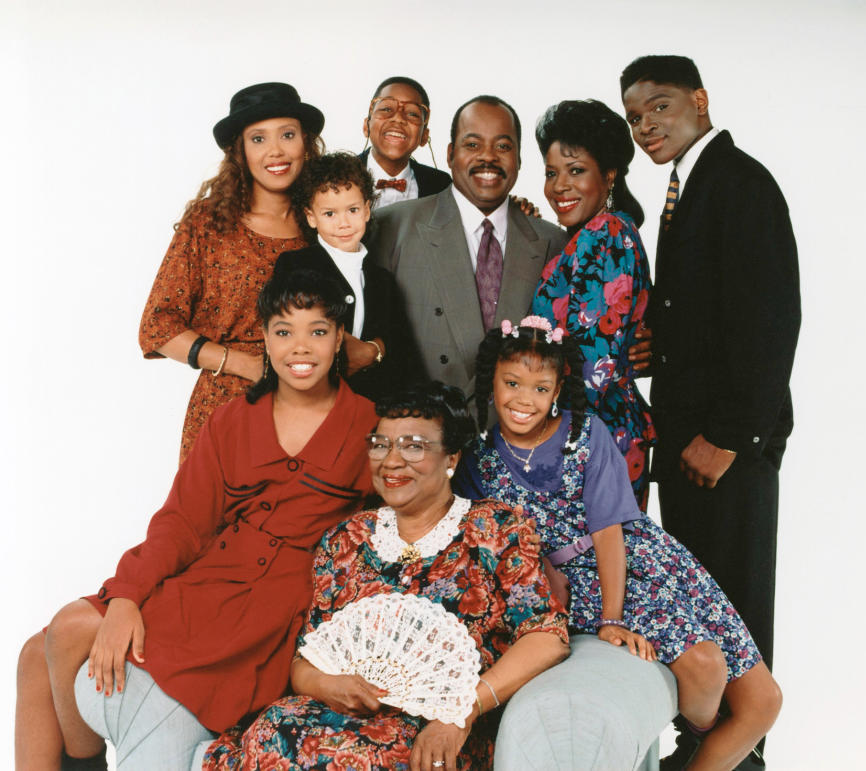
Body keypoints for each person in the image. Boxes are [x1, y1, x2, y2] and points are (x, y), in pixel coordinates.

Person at [15, 267, 377, 771]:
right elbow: (183, 522)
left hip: (274, 605)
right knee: (39, 651)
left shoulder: (368, 424)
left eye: (317, 331)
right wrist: (126, 598)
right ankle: (85, 761)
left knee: (67, 631)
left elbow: (389, 528)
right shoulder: (233, 418)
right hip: (211, 580)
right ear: (264, 339)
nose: (300, 347)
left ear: (340, 338)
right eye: (283, 332)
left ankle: (85, 761)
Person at [456, 318, 783, 771]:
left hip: (640, 563)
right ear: (491, 379)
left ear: (556, 391)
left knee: (764, 703)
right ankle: (697, 735)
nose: (523, 400)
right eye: (512, 383)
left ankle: (694, 748)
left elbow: (609, 532)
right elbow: (494, 545)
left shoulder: (586, 434)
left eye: (539, 387)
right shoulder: (477, 462)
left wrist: (613, 618)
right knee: (706, 668)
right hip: (576, 583)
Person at [202, 382, 569, 770]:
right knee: (271, 730)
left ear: (451, 459)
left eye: (413, 446)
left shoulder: (495, 529)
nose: (391, 461)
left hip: (439, 728)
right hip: (339, 716)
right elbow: (305, 662)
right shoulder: (345, 541)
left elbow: (547, 637)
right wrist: (329, 685)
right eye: (380, 445)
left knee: (354, 760)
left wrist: (461, 711)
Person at [620, 55, 800, 768]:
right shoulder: (686, 188)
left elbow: (771, 317)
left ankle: (740, 757)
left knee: (737, 618)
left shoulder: (739, 183)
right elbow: (710, 309)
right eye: (635, 117)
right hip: (689, 446)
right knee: (702, 612)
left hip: (724, 450)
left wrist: (729, 436)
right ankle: (706, 749)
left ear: (699, 98)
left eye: (659, 107)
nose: (646, 126)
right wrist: (654, 347)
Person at [139, 82, 325, 463]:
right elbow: (157, 326)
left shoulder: (325, 224)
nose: (276, 150)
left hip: (312, 408)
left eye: (287, 135)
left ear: (306, 143)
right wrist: (242, 364)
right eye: (258, 139)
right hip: (226, 408)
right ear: (240, 151)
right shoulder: (209, 223)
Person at [368, 95, 569, 410]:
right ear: (450, 154)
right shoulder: (391, 227)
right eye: (473, 145)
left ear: (519, 158)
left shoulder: (554, 243)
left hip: (517, 445)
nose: (488, 158)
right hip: (421, 438)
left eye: (503, 147)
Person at [529, 99, 656, 510]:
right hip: (595, 428)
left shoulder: (606, 233)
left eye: (576, 170)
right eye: (551, 173)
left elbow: (593, 362)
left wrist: (532, 431)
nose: (559, 186)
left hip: (592, 435)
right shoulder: (594, 235)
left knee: (595, 568)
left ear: (610, 174)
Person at [283, 151, 424, 400]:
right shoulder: (296, 267)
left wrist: (375, 349)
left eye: (353, 210)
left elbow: (400, 345)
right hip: (314, 402)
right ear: (311, 217)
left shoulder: (382, 278)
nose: (344, 223)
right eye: (330, 214)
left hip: (371, 407)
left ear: (367, 210)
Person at [358, 75, 451, 209]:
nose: (398, 118)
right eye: (386, 109)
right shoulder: (334, 177)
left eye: (412, 113)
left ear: (424, 136)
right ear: (366, 126)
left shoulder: (441, 186)